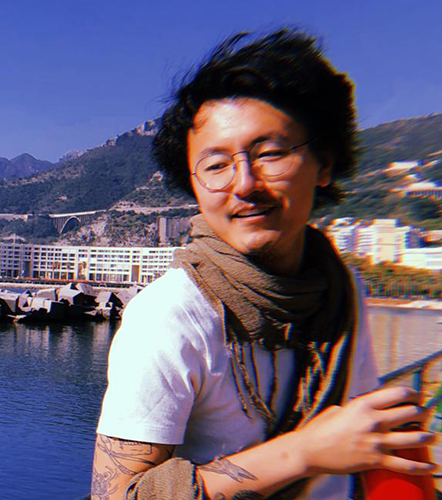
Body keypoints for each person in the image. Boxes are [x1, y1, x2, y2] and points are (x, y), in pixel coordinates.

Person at [91, 29, 435, 500]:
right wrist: (306, 452)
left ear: (326, 162)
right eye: (216, 166)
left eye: (270, 153)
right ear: (193, 186)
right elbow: (115, 496)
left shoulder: (339, 287)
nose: (245, 183)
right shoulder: (171, 315)